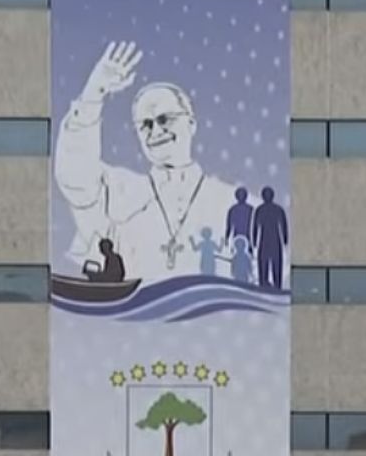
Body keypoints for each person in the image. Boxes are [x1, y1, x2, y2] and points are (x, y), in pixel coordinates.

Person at [55, 42, 239, 282]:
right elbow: (75, 175)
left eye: (165, 119)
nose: (155, 131)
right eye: (145, 125)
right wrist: (93, 96)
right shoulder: (120, 191)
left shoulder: (229, 201)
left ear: (191, 123)